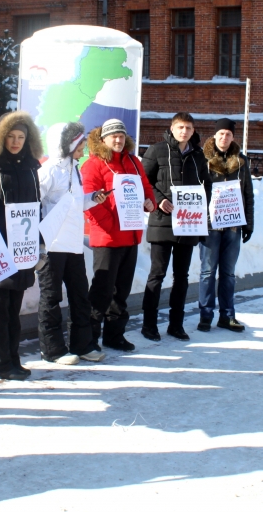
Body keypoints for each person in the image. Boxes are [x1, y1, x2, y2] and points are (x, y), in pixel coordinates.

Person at [81, 119, 156, 352]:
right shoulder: (93, 164)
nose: (118, 139)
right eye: (113, 136)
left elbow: (146, 187)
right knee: (102, 291)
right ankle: (90, 338)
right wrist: (112, 223)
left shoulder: (134, 161)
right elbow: (89, 201)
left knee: (121, 291)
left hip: (130, 235)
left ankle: (115, 335)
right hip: (107, 237)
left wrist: (149, 202)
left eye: (121, 136)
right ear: (103, 139)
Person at [36, 122, 108, 364]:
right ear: (66, 144)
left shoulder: (75, 169)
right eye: (79, 144)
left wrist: (93, 199)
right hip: (53, 245)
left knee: (80, 296)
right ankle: (52, 349)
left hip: (74, 244)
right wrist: (39, 239)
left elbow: (75, 204)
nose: (83, 149)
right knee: (51, 296)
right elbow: (35, 202)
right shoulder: (48, 170)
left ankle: (82, 344)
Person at [0, 111, 43, 380]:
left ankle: (13, 358)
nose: (16, 141)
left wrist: (37, 241)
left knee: (13, 309)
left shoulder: (32, 166)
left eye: (21, 136)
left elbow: (36, 206)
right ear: (1, 138)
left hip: (23, 248)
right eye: (11, 136)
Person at [140, 112, 209, 341]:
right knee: (157, 274)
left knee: (182, 276)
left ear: (193, 130)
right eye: (180, 127)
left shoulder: (198, 155)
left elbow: (206, 185)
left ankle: (176, 324)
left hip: (187, 225)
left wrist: (203, 208)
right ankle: (149, 324)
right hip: (162, 222)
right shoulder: (157, 150)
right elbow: (144, 181)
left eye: (188, 128)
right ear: (172, 128)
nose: (184, 132)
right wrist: (159, 199)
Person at [198, 118, 254, 333]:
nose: (224, 138)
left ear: (233, 137)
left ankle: (227, 316)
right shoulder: (203, 159)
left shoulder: (241, 161)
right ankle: (205, 315)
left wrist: (249, 224)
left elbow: (248, 193)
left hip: (233, 225)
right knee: (207, 272)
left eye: (228, 134)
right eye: (221, 134)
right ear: (214, 136)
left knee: (228, 273)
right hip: (210, 225)